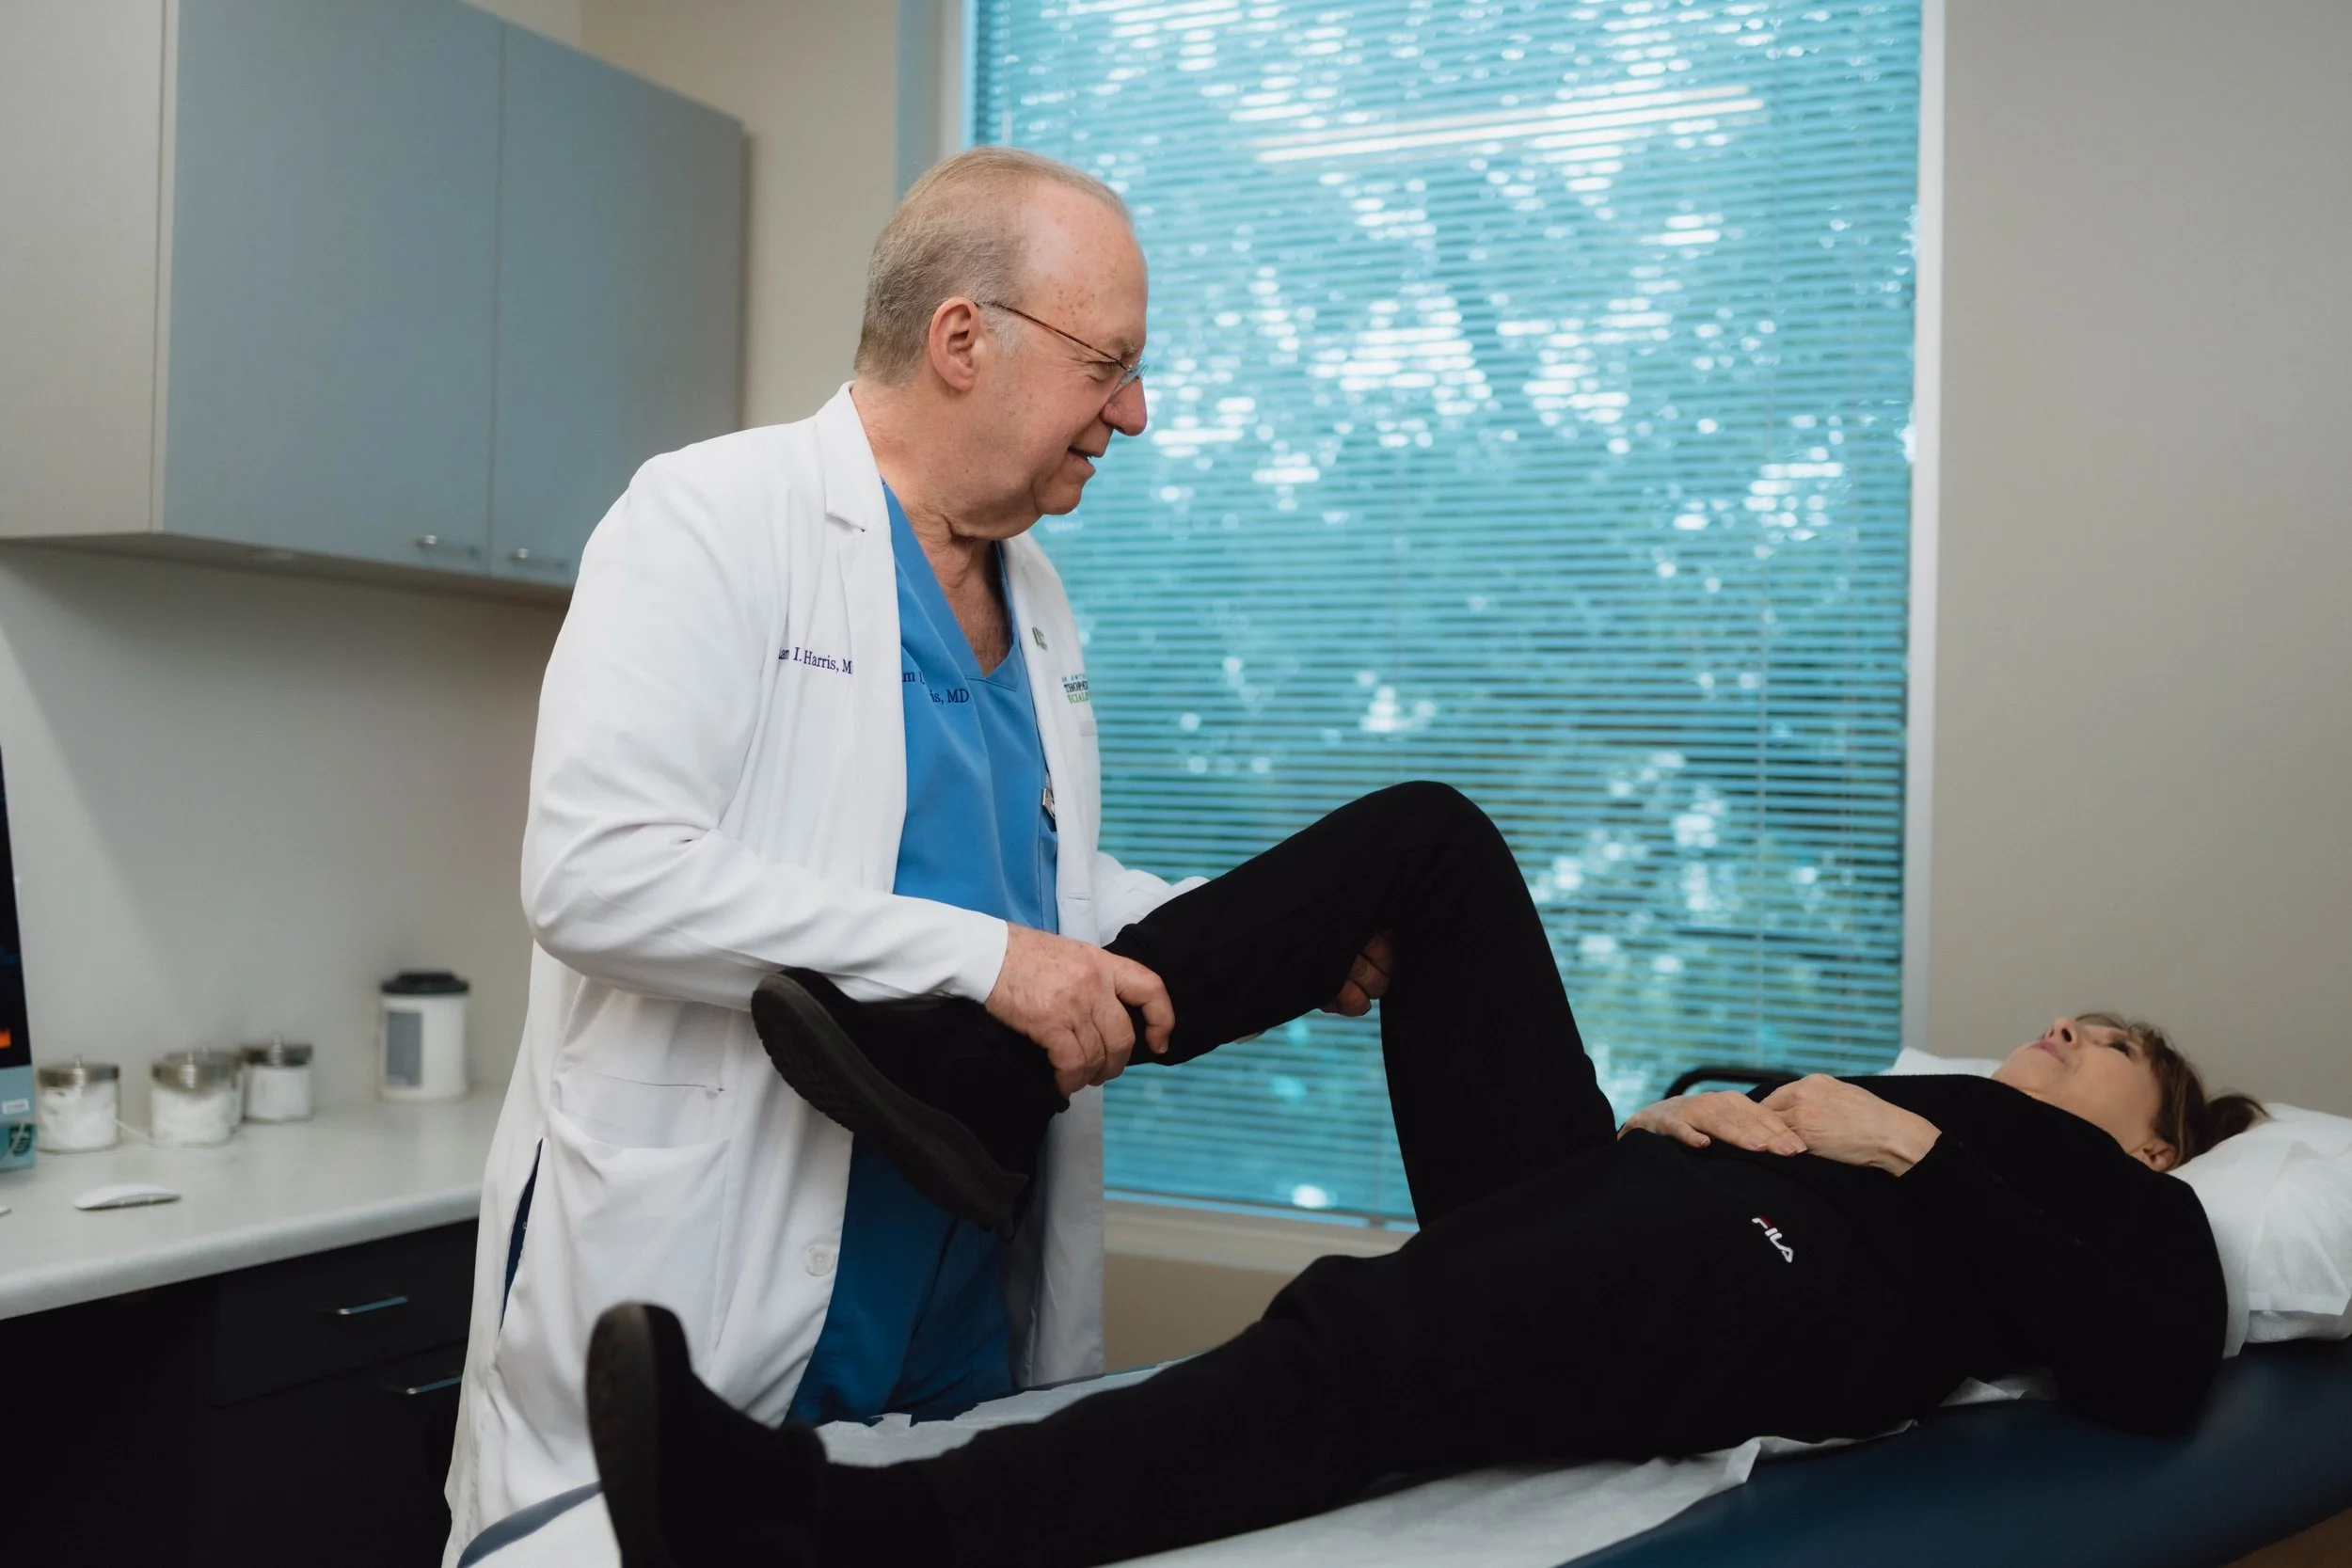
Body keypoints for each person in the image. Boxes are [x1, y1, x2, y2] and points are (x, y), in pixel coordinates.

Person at [442, 146, 1384, 1558]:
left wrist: (1264, 938)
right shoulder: (712, 518)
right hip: (714, 1268)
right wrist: (985, 961)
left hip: (957, 1314)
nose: (1132, 411)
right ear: (962, 339)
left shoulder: (1040, 595)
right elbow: (596, 869)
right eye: (1107, 364)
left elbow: (1043, 900)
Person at [579, 783, 2265, 1568]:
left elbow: (2158, 1355)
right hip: (1657, 1195)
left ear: (2160, 1130)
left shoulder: (2139, 1204)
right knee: (1430, 843)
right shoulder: (1935, 1101)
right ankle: (995, 1071)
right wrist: (1688, 1108)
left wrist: (1899, 1140)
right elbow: (1734, 1109)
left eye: (2106, 1034)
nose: (2061, 1023)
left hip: (1755, 1270)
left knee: (1358, 1346)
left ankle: (840, 1537)